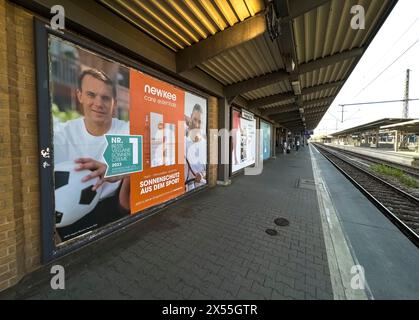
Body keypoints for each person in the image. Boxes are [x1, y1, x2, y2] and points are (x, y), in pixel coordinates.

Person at [54, 68, 130, 241]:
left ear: (114, 103)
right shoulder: (61, 135)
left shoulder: (125, 130)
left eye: (105, 97)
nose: (98, 103)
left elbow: (136, 166)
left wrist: (112, 170)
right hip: (67, 218)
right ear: (79, 95)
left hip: (113, 209)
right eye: (91, 95)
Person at [184, 103, 207, 191]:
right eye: (194, 120)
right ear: (190, 118)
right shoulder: (183, 140)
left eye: (199, 121)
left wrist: (202, 174)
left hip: (201, 188)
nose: (197, 124)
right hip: (186, 190)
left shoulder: (205, 144)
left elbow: (210, 169)